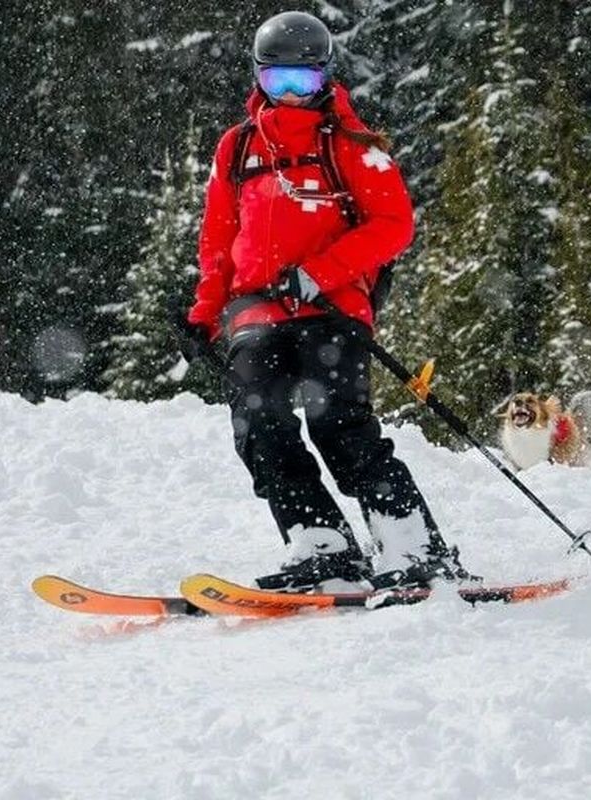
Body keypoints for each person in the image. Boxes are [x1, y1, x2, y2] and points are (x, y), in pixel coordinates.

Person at [181, 11, 471, 593]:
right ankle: (322, 544)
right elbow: (218, 238)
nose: (289, 96)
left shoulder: (352, 145)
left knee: (338, 424)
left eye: (304, 83)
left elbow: (393, 225)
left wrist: (318, 273)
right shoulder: (236, 149)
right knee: (260, 426)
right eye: (277, 81)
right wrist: (204, 312)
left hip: (331, 308)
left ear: (326, 79)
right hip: (255, 311)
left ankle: (413, 544)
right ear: (257, 78)